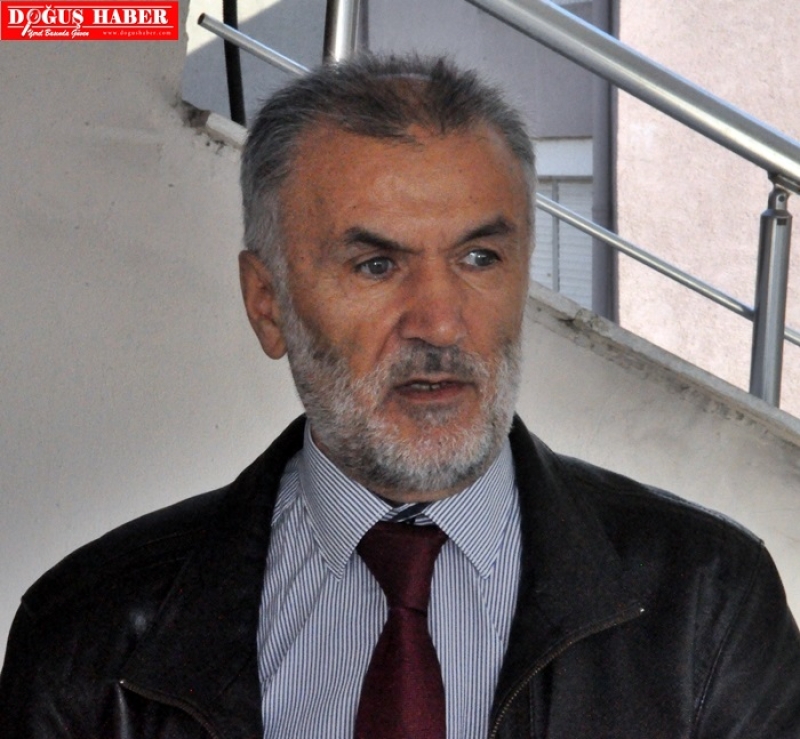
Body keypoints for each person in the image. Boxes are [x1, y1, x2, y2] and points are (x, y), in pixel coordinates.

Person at [1, 54, 799, 739]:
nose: (441, 322)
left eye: (479, 258)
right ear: (268, 303)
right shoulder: (89, 629)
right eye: (377, 266)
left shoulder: (707, 604)